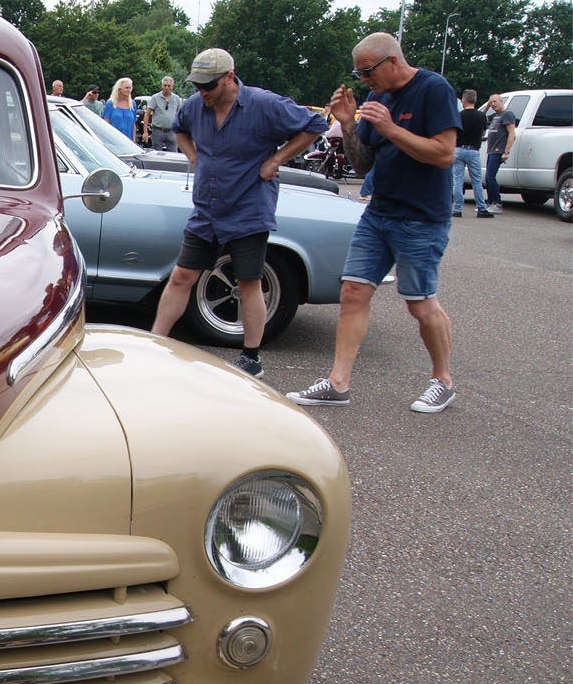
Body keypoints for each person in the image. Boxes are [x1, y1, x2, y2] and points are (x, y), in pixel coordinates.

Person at [286, 32, 460, 414]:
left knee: (419, 303)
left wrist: (392, 129)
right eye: (358, 72)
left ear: (392, 62)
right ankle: (338, 383)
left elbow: (445, 154)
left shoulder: (433, 89)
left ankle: (443, 380)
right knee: (353, 292)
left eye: (367, 71)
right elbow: (363, 164)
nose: (363, 80)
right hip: (379, 212)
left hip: (421, 217)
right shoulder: (377, 99)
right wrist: (348, 123)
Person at [149, 48, 325, 378]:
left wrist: (276, 160)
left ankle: (251, 357)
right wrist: (192, 156)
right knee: (181, 276)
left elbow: (315, 124)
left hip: (248, 207)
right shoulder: (193, 105)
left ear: (229, 77)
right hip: (207, 207)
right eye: (198, 86)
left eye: (209, 86)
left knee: (248, 282)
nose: (203, 93)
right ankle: (156, 344)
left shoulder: (263, 104)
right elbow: (179, 127)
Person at [452, 88, 491, 218]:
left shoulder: (459, 115)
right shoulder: (481, 116)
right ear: (475, 100)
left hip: (458, 149)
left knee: (457, 179)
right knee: (476, 180)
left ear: (463, 100)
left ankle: (457, 209)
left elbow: (454, 132)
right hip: (473, 150)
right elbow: (484, 132)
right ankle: (481, 208)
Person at [484, 92, 517, 214]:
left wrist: (506, 151)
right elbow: (481, 118)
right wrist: (487, 105)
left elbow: (511, 134)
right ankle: (490, 201)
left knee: (490, 177)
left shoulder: (507, 114)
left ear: (501, 101)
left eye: (495, 101)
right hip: (491, 149)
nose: (493, 104)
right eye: (491, 102)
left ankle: (497, 203)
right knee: (488, 177)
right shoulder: (495, 116)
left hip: (498, 150)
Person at [143, 75, 183, 151]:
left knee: (173, 155)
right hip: (158, 131)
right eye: (165, 85)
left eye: (169, 86)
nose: (167, 88)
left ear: (172, 87)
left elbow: (181, 115)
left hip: (172, 131)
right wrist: (145, 132)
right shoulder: (155, 98)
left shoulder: (176, 98)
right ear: (162, 86)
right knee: (157, 155)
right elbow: (147, 114)